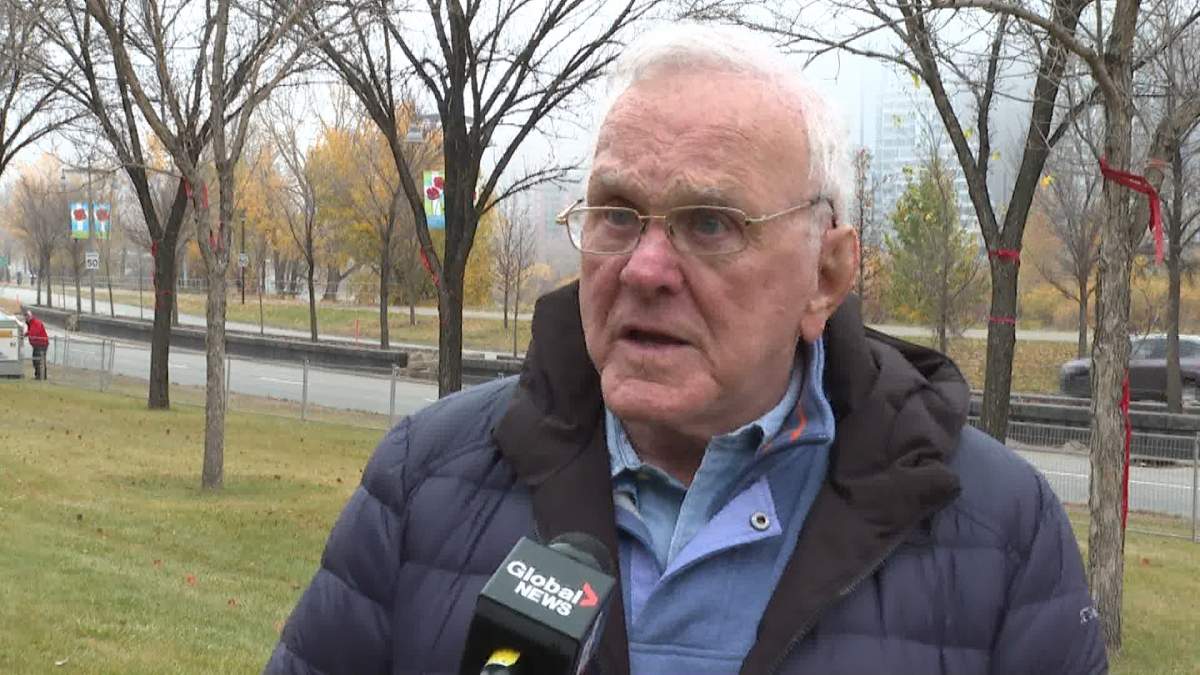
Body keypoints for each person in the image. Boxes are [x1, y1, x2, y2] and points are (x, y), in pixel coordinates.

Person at [266, 24, 1107, 675]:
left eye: (710, 223)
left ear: (826, 275)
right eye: (617, 212)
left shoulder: (1002, 531)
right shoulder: (423, 480)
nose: (644, 268)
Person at [24, 309, 49, 381]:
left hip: (41, 344)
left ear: (30, 316)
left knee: (39, 360)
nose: (26, 318)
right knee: (36, 360)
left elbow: (34, 333)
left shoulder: (36, 323)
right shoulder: (31, 323)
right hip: (37, 344)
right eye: (25, 317)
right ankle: (39, 375)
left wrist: (28, 334)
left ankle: (41, 376)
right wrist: (26, 334)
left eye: (27, 317)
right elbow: (31, 331)